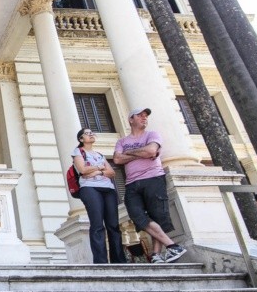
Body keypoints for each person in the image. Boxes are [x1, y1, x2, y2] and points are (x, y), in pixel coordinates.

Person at [113, 108, 186, 264]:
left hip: (153, 178)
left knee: (156, 217)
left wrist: (130, 153)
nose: (144, 118)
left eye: (145, 116)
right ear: (131, 120)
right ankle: (172, 246)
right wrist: (142, 151)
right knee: (137, 215)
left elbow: (151, 151)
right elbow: (117, 160)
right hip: (131, 183)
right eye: (140, 115)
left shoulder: (152, 135)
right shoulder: (122, 141)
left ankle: (155, 255)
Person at [73, 128, 125, 263]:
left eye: (92, 133)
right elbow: (83, 170)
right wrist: (101, 168)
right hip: (89, 189)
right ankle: (101, 262)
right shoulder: (78, 152)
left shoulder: (99, 154)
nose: (91, 135)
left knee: (113, 225)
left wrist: (98, 172)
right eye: (87, 133)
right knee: (97, 225)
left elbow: (112, 173)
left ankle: (119, 261)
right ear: (81, 139)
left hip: (108, 189)